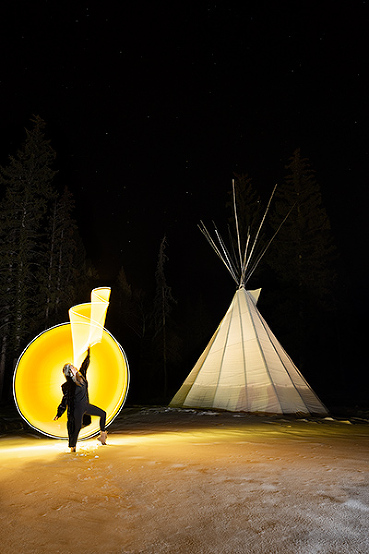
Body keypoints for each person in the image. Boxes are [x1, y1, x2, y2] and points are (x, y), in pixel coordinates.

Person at [54, 347, 107, 452]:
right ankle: (72, 448)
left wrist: (88, 353)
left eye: (73, 366)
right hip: (77, 409)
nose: (75, 367)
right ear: (69, 372)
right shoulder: (68, 386)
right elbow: (64, 400)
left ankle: (103, 435)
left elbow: (85, 364)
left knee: (103, 413)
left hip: (85, 406)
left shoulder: (81, 376)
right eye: (72, 368)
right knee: (77, 427)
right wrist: (59, 413)